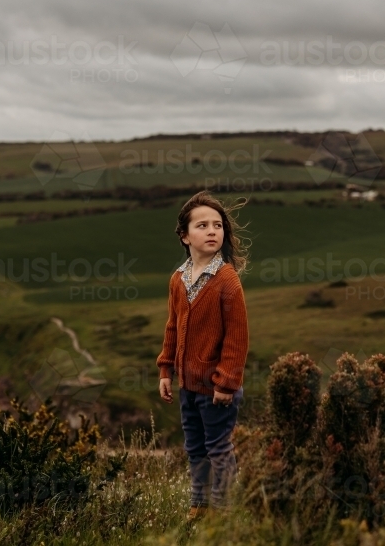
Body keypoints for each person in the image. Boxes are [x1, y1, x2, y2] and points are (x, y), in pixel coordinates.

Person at [156, 190, 250, 522]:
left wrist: (226, 383)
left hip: (217, 388)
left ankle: (225, 511)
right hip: (188, 386)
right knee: (195, 448)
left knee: (219, 449)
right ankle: (199, 506)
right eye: (202, 225)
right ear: (184, 235)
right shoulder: (178, 279)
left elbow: (237, 340)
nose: (212, 231)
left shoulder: (227, 281)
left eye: (217, 225)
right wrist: (166, 369)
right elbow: (172, 327)